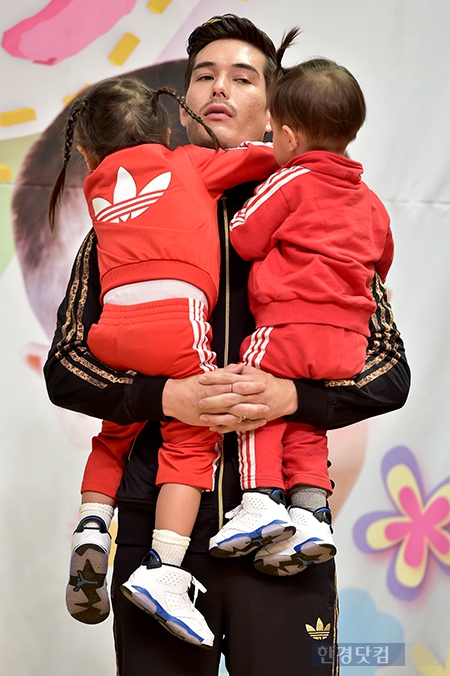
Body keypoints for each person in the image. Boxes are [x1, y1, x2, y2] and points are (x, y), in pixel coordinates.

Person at [44, 14, 410, 676]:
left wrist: (289, 394)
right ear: (181, 110)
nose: (220, 87)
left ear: (277, 113)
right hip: (158, 546)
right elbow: (67, 368)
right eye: (204, 76)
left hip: (282, 544)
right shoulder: (117, 228)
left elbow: (387, 369)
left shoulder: (330, 215)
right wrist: (165, 396)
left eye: (243, 77)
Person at [48, 75, 277, 644]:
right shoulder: (190, 166)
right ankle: (166, 569)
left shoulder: (97, 192)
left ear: (84, 154)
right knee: (192, 434)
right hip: (175, 326)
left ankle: (93, 527)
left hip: (112, 332)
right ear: (173, 126)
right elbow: (266, 159)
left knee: (114, 433)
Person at [209, 45, 394, 578]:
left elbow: (244, 237)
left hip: (289, 323)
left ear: (284, 135)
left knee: (253, 392)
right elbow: (380, 262)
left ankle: (261, 500)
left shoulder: (290, 179)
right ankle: (313, 511)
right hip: (347, 341)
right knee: (306, 416)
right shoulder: (371, 200)